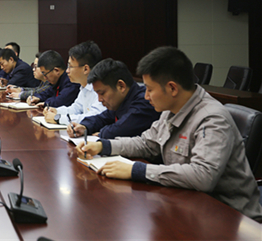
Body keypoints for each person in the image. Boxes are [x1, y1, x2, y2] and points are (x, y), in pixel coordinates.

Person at [78, 46, 262, 222]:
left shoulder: (212, 118)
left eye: (150, 89)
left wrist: (136, 170)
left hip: (231, 218)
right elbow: (147, 143)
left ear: (172, 88)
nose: (146, 96)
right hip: (188, 205)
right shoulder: (171, 110)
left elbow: (203, 176)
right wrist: (103, 145)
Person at [67, 58, 160, 139]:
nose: (99, 99)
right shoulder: (120, 102)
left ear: (121, 86)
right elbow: (103, 118)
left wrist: (102, 134)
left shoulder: (144, 102)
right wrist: (84, 126)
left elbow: (122, 128)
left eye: (102, 93)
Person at [42, 41, 106, 125]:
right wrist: (56, 111)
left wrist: (58, 118)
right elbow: (76, 109)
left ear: (85, 69)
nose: (67, 71)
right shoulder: (84, 86)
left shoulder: (101, 89)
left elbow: (92, 117)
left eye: (70, 66)